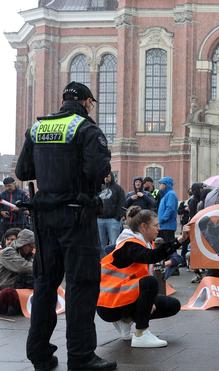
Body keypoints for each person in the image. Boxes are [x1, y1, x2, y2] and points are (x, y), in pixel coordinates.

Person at [16, 81, 115, 370]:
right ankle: (82, 356)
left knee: (45, 284)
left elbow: (23, 170)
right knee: (81, 284)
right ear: (86, 102)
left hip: (44, 218)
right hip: (76, 216)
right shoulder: (85, 129)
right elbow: (97, 169)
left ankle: (39, 353)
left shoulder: (37, 129)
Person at [97, 208, 182, 348]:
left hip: (121, 298)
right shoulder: (129, 245)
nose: (158, 229)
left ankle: (126, 320)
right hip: (109, 305)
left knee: (172, 305)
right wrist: (180, 240)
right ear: (143, 227)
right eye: (155, 225)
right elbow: (152, 256)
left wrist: (147, 302)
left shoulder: (143, 243)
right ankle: (141, 333)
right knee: (150, 283)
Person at [0, 229, 36, 316]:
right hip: (4, 287)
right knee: (8, 293)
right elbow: (23, 267)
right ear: (23, 245)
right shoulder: (7, 252)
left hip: (19, 288)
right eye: (30, 245)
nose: (32, 248)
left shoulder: (28, 254)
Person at [97, 172, 126, 249]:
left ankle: (113, 260)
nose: (106, 178)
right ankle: (102, 260)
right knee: (100, 244)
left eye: (108, 176)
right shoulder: (98, 188)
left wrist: (117, 217)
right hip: (100, 220)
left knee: (114, 244)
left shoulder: (118, 189)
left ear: (112, 177)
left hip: (113, 220)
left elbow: (122, 203)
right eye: (104, 176)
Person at [156, 177, 178, 243]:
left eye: (161, 184)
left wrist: (162, 219)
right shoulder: (166, 195)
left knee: (168, 247)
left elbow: (170, 209)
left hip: (168, 226)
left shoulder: (171, 194)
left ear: (166, 185)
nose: (159, 186)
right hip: (164, 226)